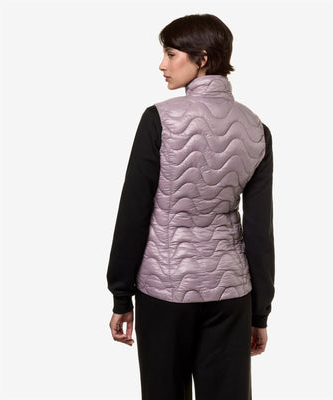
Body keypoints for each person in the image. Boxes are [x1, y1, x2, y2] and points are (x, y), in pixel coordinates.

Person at [106, 13, 275, 400]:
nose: (162, 65)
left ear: (202, 59)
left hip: (163, 293)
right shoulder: (257, 129)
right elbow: (259, 230)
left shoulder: (159, 119)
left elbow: (133, 212)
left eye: (170, 54)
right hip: (232, 297)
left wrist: (121, 294)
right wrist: (259, 312)